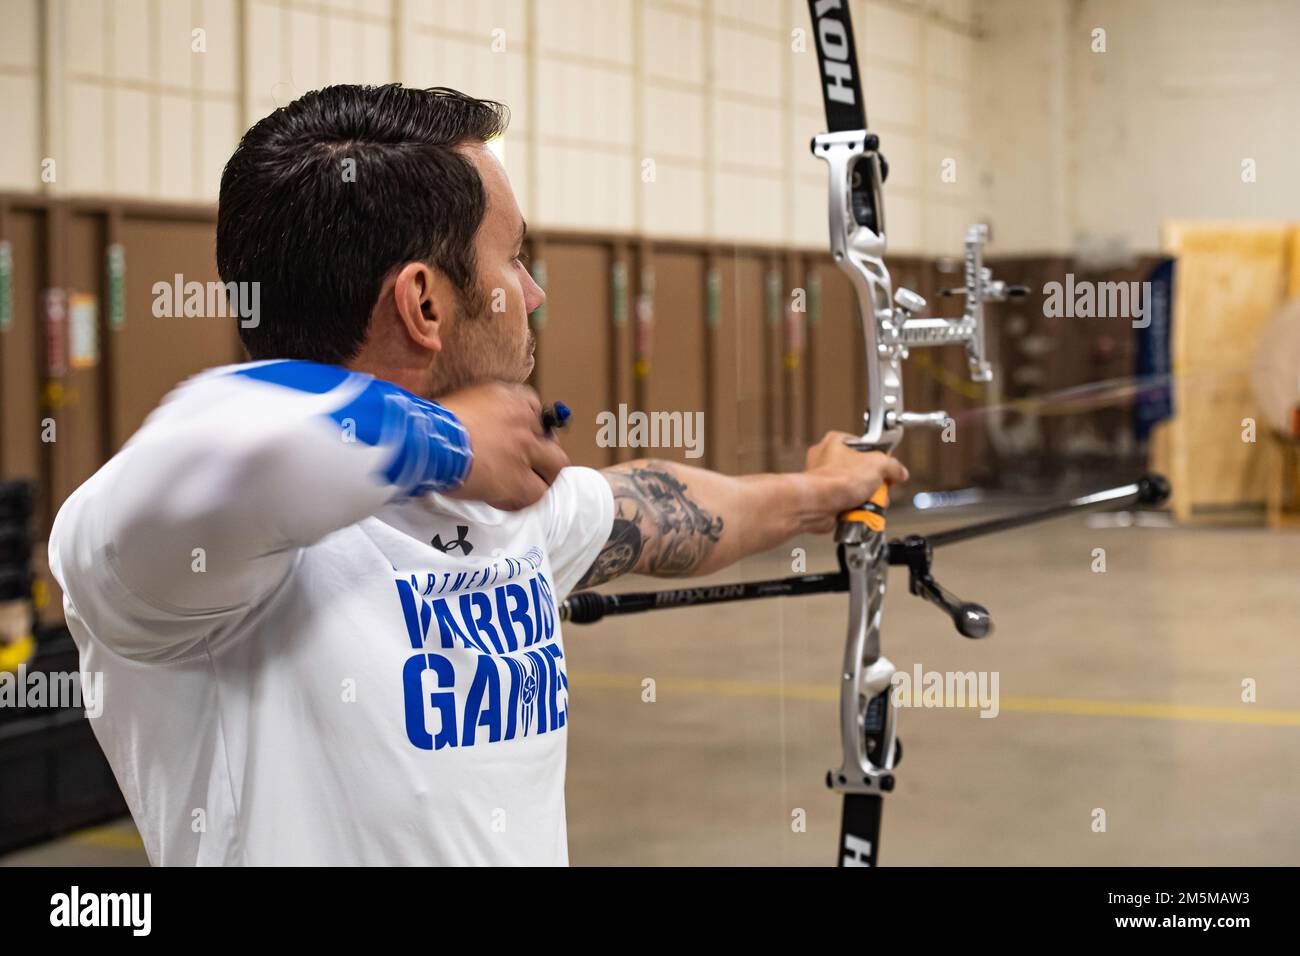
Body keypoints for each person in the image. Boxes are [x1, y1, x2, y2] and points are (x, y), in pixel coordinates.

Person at [49, 84, 906, 866]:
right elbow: (224, 454)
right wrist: (449, 438)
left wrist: (819, 491)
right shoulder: (178, 558)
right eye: (513, 259)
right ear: (425, 304)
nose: (531, 293)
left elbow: (650, 508)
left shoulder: (502, 509)